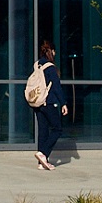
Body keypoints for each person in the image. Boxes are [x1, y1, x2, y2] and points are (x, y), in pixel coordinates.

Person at [29, 40, 69, 170]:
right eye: (54, 51)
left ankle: (42, 162)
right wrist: (63, 103)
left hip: (37, 102)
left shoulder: (37, 65)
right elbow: (56, 87)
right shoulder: (50, 68)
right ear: (51, 51)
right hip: (49, 102)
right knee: (57, 129)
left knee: (43, 130)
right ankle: (43, 153)